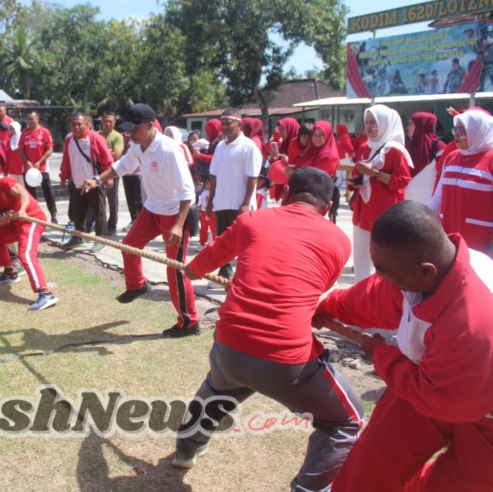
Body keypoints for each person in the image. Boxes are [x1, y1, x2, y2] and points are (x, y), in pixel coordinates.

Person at [172, 168, 363, 492]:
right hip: (287, 360)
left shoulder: (252, 220)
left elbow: (195, 269)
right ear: (329, 207)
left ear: (286, 193)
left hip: (231, 345)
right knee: (346, 421)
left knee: (218, 387)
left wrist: (199, 270)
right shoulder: (340, 241)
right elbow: (311, 290)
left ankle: (186, 449)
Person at [314, 201, 493, 491]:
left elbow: (443, 400)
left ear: (426, 272)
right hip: (426, 385)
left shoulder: (471, 325)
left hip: (474, 411)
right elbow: (375, 297)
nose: (381, 276)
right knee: (367, 472)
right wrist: (327, 307)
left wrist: (381, 355)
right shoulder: (426, 271)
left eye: (384, 271)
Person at [82, 104, 199, 338]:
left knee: (175, 270)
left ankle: (189, 322)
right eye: (127, 129)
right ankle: (137, 285)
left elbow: (188, 192)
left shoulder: (169, 150)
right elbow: (121, 167)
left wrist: (178, 225)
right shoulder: (137, 147)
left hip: (175, 213)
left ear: (150, 125)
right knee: (129, 246)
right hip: (152, 209)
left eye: (134, 128)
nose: (130, 133)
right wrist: (96, 179)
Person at [0, 176, 59, 311]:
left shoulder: (4, 183)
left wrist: (22, 210)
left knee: (26, 254)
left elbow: (23, 194)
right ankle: (9, 273)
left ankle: (45, 293)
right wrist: (7, 217)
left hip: (32, 220)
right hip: (17, 224)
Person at [348, 105, 412, 282]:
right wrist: (356, 181)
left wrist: (375, 174)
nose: (368, 127)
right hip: (363, 211)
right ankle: (362, 292)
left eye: (373, 123)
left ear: (385, 124)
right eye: (367, 122)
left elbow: (402, 181)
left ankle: (382, 293)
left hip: (384, 212)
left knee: (384, 259)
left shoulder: (395, 151)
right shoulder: (364, 147)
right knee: (361, 258)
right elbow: (359, 172)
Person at [206, 107, 262, 280]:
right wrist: (211, 200)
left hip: (239, 204)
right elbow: (214, 175)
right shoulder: (220, 147)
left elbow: (253, 176)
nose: (224, 127)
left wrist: (245, 203)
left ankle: (245, 277)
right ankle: (225, 273)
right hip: (221, 203)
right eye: (222, 124)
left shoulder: (249, 146)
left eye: (228, 123)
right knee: (222, 240)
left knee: (243, 243)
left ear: (239, 125)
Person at [429, 108, 493, 256]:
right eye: (455, 130)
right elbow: (438, 199)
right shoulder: (451, 157)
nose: (456, 135)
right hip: (450, 239)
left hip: (482, 243)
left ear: (477, 131)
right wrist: (421, 221)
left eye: (461, 131)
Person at [59, 112, 113, 252]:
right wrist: (64, 176)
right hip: (78, 183)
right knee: (78, 212)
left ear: (86, 125)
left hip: (94, 183)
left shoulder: (96, 139)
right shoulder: (69, 140)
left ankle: (101, 239)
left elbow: (107, 160)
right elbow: (66, 160)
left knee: (99, 212)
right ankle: (78, 237)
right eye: (73, 124)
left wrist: (109, 178)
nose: (76, 127)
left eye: (79, 124)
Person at [19, 111, 59, 224]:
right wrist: (27, 161)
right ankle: (34, 215)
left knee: (48, 191)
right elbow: (20, 150)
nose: (30, 121)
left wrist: (40, 162)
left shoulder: (45, 132)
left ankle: (53, 214)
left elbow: (50, 149)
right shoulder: (24, 133)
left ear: (37, 118)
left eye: (32, 119)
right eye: (28, 119)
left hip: (42, 168)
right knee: (30, 193)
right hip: (28, 169)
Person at [404, 112, 445, 205]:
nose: (407, 127)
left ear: (420, 125)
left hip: (430, 204)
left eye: (410, 124)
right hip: (407, 203)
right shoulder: (407, 147)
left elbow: (443, 174)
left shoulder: (438, 147)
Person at [101, 111, 124, 235]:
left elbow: (117, 154)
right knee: (99, 199)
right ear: (102, 122)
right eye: (105, 121)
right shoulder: (97, 135)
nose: (108, 123)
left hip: (112, 171)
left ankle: (112, 225)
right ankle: (99, 224)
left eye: (110, 121)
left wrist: (102, 152)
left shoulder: (117, 137)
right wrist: (109, 151)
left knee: (112, 200)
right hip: (99, 172)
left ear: (114, 123)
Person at [5, 120, 26, 186]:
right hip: (12, 170)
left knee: (24, 189)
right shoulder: (9, 141)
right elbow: (8, 157)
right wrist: (6, 172)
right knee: (15, 188)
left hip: (22, 170)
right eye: (10, 129)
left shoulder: (23, 138)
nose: (11, 131)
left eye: (13, 129)